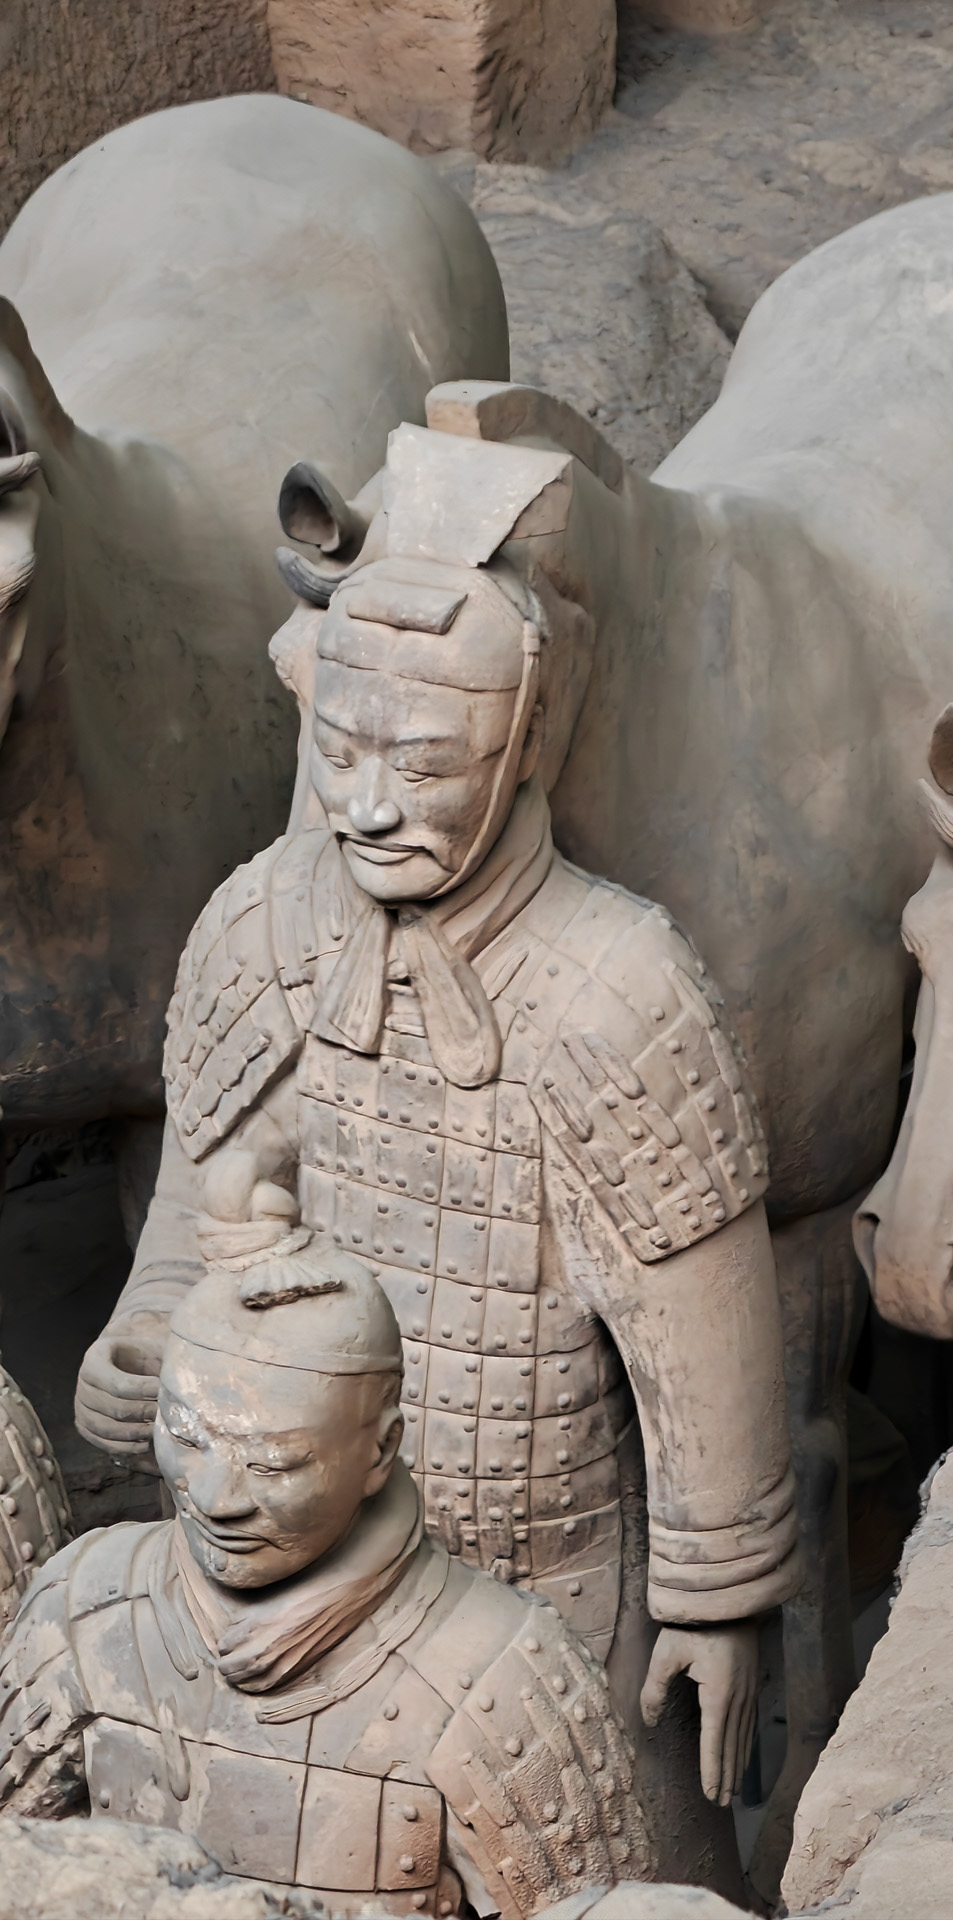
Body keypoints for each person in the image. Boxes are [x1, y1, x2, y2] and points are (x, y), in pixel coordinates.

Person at [72, 410, 798, 1879]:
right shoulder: (260, 927)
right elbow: (199, 1221)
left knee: (612, 1878)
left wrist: (719, 1594)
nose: (366, 803)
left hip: (543, 1574)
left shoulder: (614, 985)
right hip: (283, 1564)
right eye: (339, 749)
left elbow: (698, 1325)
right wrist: (143, 1343)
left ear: (525, 740)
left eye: (424, 760)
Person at [4, 1205, 652, 1918]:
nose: (215, 1499)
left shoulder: (503, 1678)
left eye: (275, 1462)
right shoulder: (83, 1605)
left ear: (380, 1451)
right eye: (186, 1436)